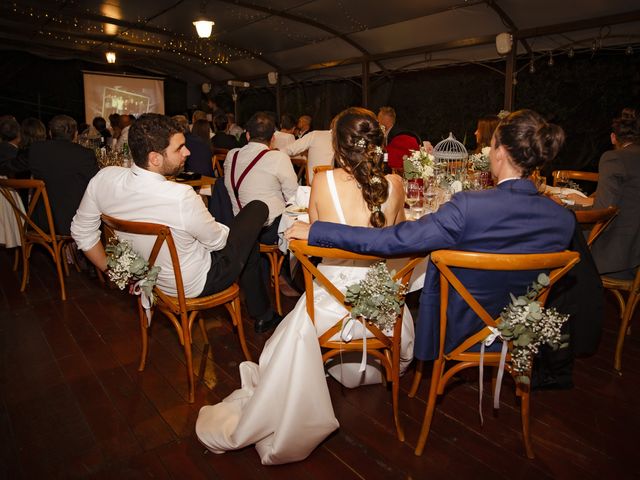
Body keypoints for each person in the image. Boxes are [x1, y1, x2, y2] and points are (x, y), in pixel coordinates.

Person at [196, 107, 409, 464]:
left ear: (338, 149)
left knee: (286, 340)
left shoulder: (325, 182)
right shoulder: (397, 185)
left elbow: (317, 237)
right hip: (384, 308)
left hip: (330, 307)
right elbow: (397, 238)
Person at [287, 109, 575, 362]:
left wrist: (319, 231)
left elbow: (390, 240)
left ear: (498, 152)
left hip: (456, 329)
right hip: (524, 330)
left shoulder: (469, 206)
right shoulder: (563, 219)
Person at [70, 113, 281, 333]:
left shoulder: (104, 179)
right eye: (179, 148)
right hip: (195, 283)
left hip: (151, 278)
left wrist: (114, 270)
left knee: (248, 243)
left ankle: (262, 313)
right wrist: (220, 225)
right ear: (155, 158)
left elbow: (81, 231)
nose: (187, 152)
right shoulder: (180, 196)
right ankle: (262, 313)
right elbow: (218, 243)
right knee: (257, 209)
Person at [567, 109, 640, 279]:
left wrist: (563, 208)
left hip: (615, 259)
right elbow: (625, 199)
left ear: (613, 138)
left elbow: (601, 211)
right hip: (635, 255)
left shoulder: (614, 159)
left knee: (555, 236)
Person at [223, 111, 297, 245]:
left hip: (237, 227)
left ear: (247, 135)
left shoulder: (231, 155)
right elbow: (293, 197)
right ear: (273, 138)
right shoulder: (278, 158)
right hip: (268, 232)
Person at [26, 115, 99, 235]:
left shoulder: (36, 149)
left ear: (50, 133)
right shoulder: (84, 154)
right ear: (75, 134)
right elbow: (97, 183)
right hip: (74, 222)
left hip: (41, 223)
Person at [377, 106, 421, 170]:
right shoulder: (390, 134)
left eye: (379, 117)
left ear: (384, 119)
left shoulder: (400, 137)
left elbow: (391, 160)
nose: (377, 121)